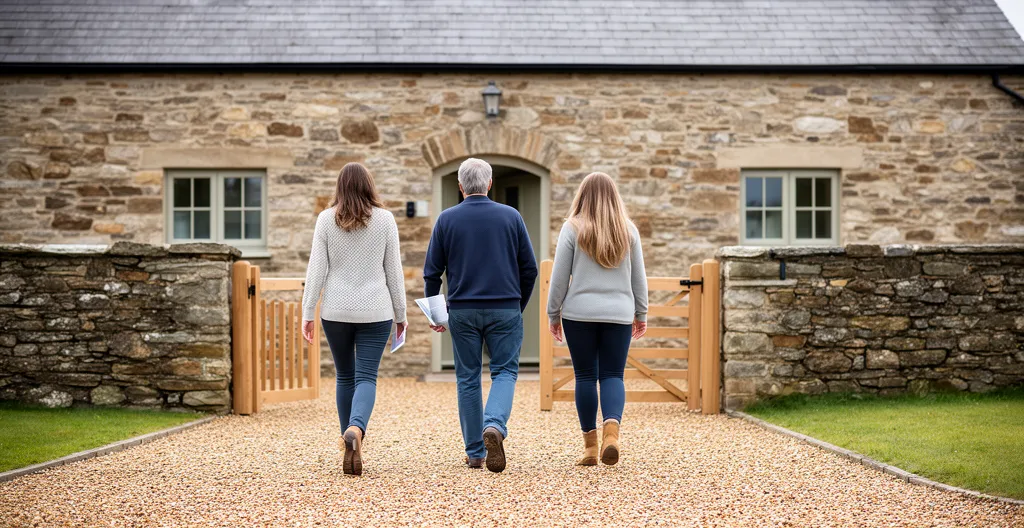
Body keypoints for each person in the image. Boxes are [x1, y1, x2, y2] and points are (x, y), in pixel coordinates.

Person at [423, 158, 538, 473]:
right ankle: (495, 425)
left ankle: (475, 453)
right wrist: (518, 305)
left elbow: (432, 273)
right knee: (505, 372)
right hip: (505, 308)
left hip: (463, 310)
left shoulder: (446, 220)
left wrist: (436, 313)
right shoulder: (511, 217)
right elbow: (530, 269)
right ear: (489, 184)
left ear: (460, 187)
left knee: (468, 377)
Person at [301, 162, 407, 477]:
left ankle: (347, 444)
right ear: (368, 186)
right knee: (366, 378)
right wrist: (401, 315)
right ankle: (357, 430)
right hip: (376, 311)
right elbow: (394, 272)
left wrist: (308, 313)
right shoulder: (386, 220)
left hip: (335, 311)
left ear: (340, 188)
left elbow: (315, 269)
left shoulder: (325, 220)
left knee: (345, 377)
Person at [545, 172, 648, 467]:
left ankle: (590, 449)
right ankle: (612, 436)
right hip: (618, 314)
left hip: (580, 314)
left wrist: (553, 314)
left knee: (586, 377)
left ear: (582, 195)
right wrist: (641, 313)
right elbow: (638, 278)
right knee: (613, 375)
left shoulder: (572, 228)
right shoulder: (628, 230)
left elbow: (559, 278)